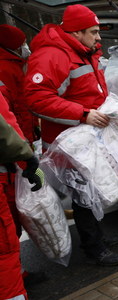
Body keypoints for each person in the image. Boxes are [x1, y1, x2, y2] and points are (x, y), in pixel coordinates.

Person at [23, 4, 118, 266]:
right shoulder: (52, 56)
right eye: (93, 32)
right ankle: (94, 248)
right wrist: (83, 114)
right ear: (77, 32)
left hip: (88, 138)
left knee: (93, 190)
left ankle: (98, 238)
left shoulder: (84, 51)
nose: (99, 37)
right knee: (83, 195)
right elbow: (36, 98)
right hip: (68, 142)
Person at [0, 92, 43, 300]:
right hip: (9, 164)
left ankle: (19, 272)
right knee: (5, 246)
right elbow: (7, 132)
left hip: (10, 169)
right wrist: (30, 160)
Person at [0, 24, 39, 144]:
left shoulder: (15, 64)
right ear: (13, 45)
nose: (25, 47)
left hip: (24, 128)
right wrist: (21, 137)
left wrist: (34, 125)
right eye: (23, 43)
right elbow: (12, 105)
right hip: (17, 133)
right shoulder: (5, 68)